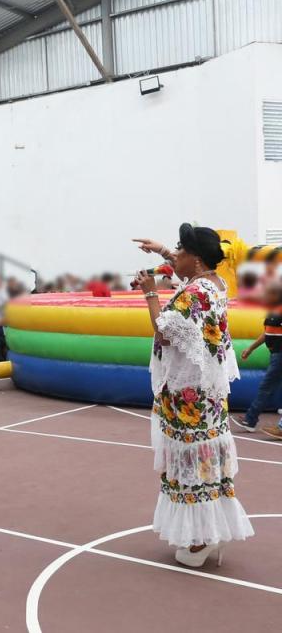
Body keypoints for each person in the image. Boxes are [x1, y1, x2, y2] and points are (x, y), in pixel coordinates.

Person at [134, 225, 254, 567]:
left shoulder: (194, 294)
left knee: (191, 465)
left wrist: (150, 293)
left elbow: (166, 332)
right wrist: (162, 252)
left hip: (189, 399)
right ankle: (207, 534)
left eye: (180, 249)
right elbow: (188, 274)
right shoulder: (214, 283)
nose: (176, 254)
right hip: (208, 397)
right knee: (205, 465)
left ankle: (202, 540)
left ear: (196, 258)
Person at [234, 282, 282, 438]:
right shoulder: (274, 311)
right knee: (267, 386)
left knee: (266, 386)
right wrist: (251, 347)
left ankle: (250, 419)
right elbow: (267, 333)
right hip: (276, 354)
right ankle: (251, 419)